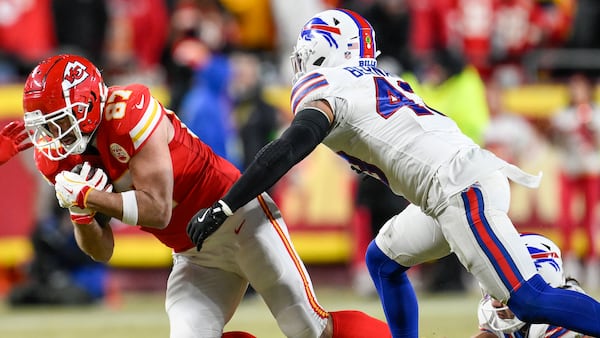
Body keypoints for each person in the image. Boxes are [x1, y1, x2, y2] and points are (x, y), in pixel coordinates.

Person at [185, 8, 600, 338]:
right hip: (449, 187)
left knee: (527, 299)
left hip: (459, 188)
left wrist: (226, 204)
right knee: (383, 259)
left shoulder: (328, 87)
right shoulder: (379, 78)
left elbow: (290, 146)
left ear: (324, 49)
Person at [22, 54, 391, 338]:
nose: (53, 135)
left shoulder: (128, 112)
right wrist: (81, 212)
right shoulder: (62, 156)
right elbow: (101, 251)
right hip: (192, 253)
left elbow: (158, 209)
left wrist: (92, 196)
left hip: (240, 220)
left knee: (308, 327)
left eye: (57, 119)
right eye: (45, 124)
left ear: (88, 105)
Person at [474, 232, 588, 338]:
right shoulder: (503, 319)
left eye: (505, 289)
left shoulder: (562, 315)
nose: (494, 304)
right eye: (494, 290)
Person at [548, 72, 600, 288]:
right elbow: (554, 141)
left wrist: (589, 129)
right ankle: (568, 261)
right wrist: (561, 132)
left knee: (590, 220)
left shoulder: (596, 113)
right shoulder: (562, 114)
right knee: (566, 218)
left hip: (590, 168)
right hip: (570, 167)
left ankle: (591, 263)